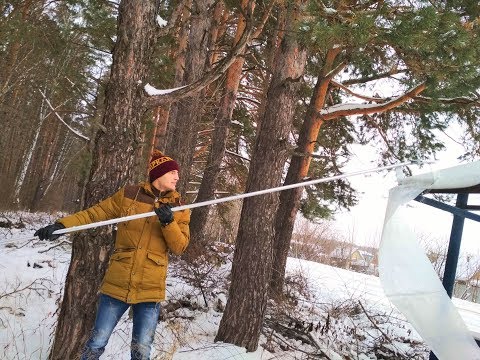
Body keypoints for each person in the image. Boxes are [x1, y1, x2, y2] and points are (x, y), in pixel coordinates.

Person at [34, 150, 190, 360]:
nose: (177, 177)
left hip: (150, 289)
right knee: (96, 343)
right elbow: (94, 214)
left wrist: (168, 222)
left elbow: (180, 246)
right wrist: (62, 226)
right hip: (118, 283)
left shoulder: (180, 208)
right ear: (158, 174)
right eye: (172, 172)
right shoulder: (128, 195)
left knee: (142, 351)